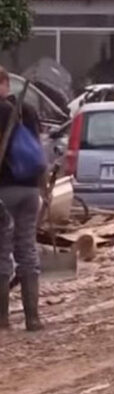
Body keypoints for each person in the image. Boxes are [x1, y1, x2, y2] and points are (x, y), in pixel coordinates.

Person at [0, 67, 44, 331]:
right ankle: (33, 318)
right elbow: (39, 148)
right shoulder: (26, 110)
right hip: (29, 190)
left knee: (1, 251)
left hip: (3, 190)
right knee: (27, 248)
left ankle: (2, 319)